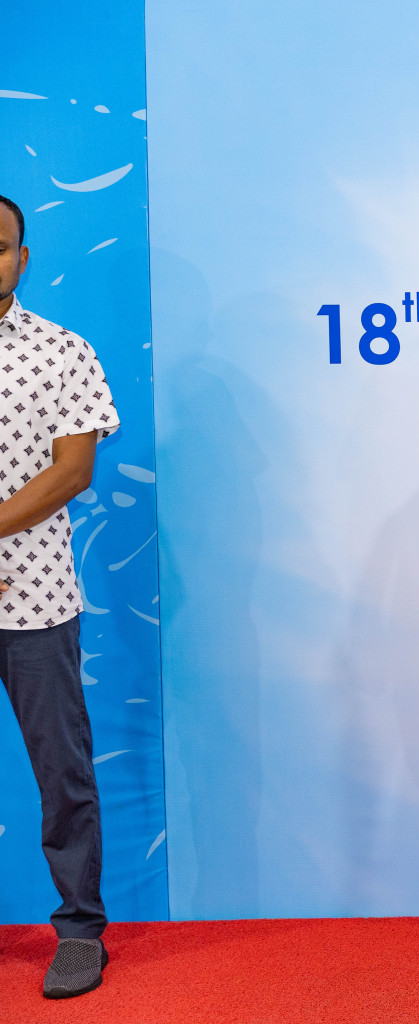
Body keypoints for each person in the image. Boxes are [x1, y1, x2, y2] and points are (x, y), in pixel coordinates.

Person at [0, 194, 121, 999]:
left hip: (32, 606)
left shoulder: (59, 350)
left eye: (0, 246)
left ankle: (79, 930)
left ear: (22, 257)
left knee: (62, 772)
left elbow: (73, 471)